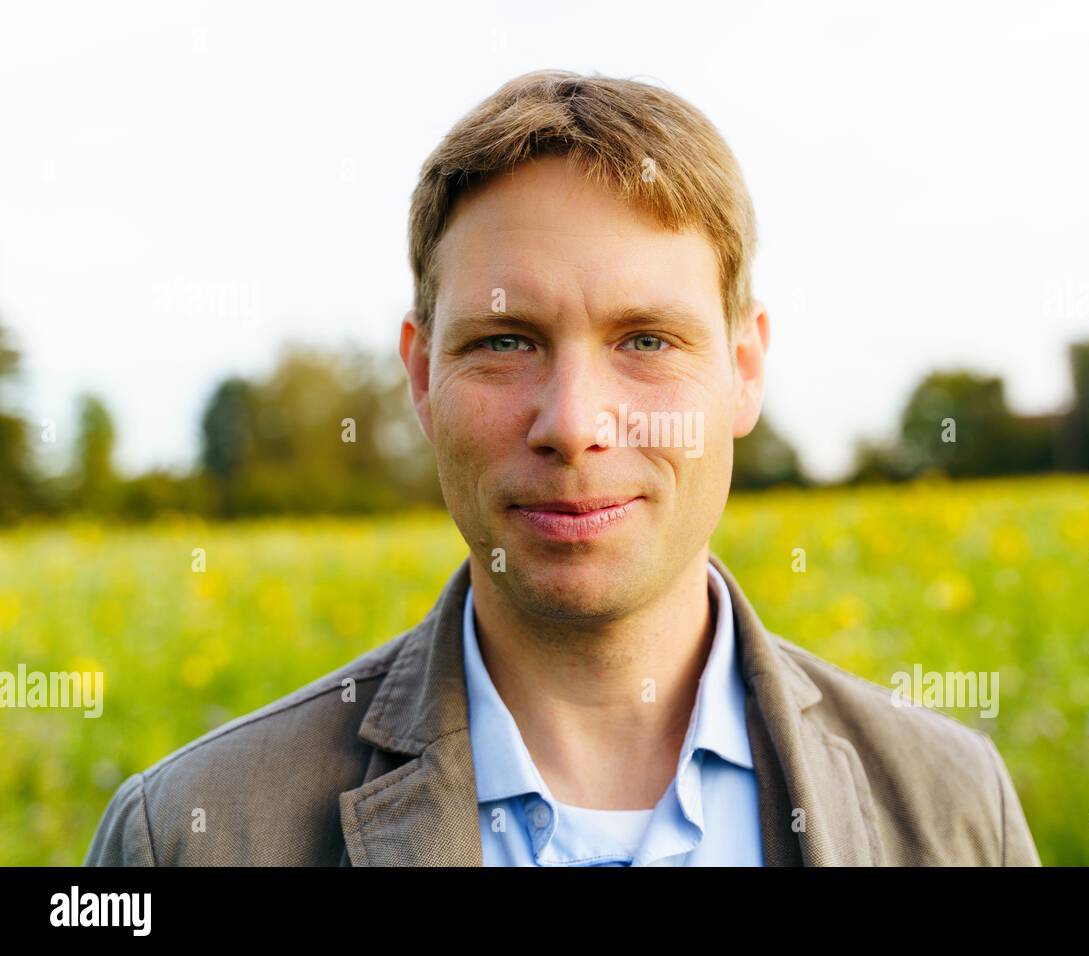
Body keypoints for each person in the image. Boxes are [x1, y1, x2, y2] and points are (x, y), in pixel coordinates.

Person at [85, 69, 1040, 867]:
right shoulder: (190, 837)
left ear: (743, 372)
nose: (575, 424)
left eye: (648, 340)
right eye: (505, 342)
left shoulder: (956, 812)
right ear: (420, 377)